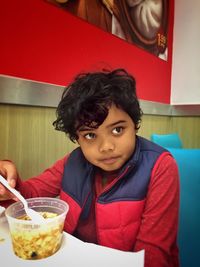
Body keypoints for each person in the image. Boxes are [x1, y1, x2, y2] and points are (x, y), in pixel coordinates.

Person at [0, 68, 179, 267]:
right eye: (90, 135)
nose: (106, 147)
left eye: (118, 129)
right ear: (77, 138)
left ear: (135, 124)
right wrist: (8, 184)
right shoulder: (73, 162)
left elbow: (152, 257)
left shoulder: (160, 167)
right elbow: (30, 197)